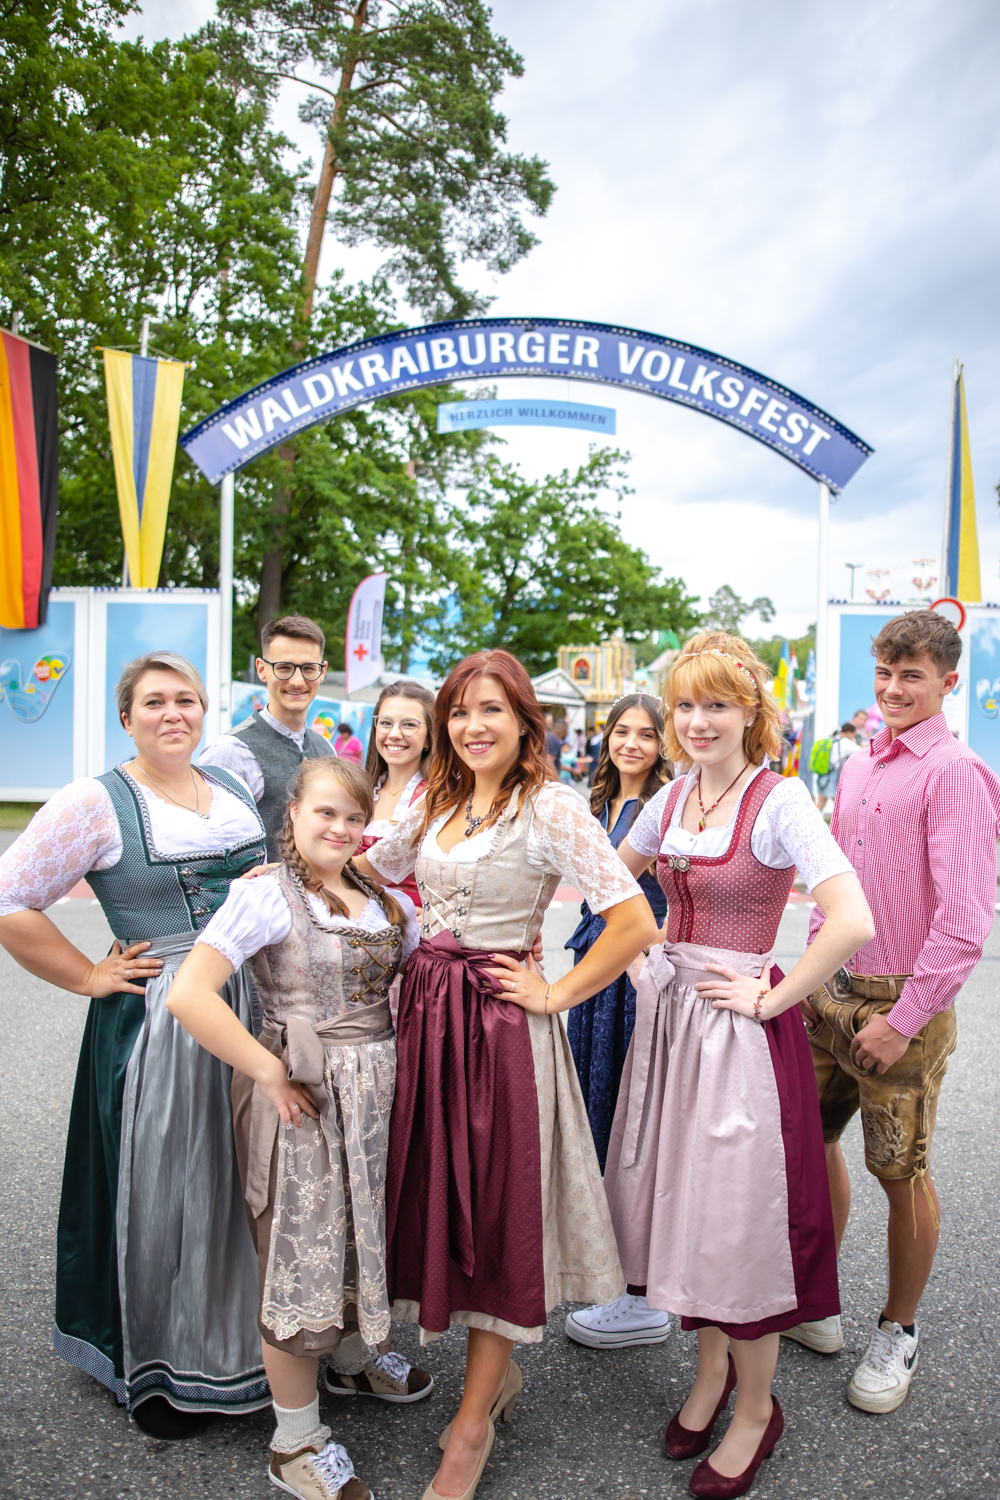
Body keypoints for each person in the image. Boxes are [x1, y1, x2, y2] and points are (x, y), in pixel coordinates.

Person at [353, 649, 657, 1500]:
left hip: (497, 1029)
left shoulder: (551, 805)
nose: (471, 726)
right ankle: (492, 1384)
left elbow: (632, 923)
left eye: (491, 710)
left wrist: (554, 992)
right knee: (432, 1202)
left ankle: (472, 1420)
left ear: (527, 720)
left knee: (494, 1215)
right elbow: (371, 871)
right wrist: (285, 873)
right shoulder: (438, 796)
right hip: (425, 1016)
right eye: (458, 711)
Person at [598, 632, 874, 1498]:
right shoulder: (672, 794)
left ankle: (756, 1404)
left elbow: (852, 917)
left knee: (732, 1222)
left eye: (716, 703)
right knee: (684, 1208)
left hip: (735, 1030)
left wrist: (775, 993)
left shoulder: (780, 797)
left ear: (752, 711)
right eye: (684, 704)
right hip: (672, 1023)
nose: (696, 721)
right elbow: (608, 879)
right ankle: (711, 1376)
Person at [0, 652, 270, 1439]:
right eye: (154, 702)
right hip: (164, 1023)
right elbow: (11, 899)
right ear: (128, 717)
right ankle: (160, 1367)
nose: (172, 714)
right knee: (171, 1186)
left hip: (253, 1000)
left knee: (240, 1179)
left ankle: (248, 1349)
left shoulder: (230, 788)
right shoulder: (95, 801)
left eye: (186, 700)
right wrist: (88, 975)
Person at [166, 757, 431, 1500]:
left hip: (378, 1093)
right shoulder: (266, 897)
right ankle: (295, 1441)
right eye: (325, 814)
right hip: (304, 1097)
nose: (340, 830)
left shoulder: (380, 897)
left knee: (357, 1232)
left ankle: (349, 1358)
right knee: (301, 1250)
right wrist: (268, 1070)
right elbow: (190, 996)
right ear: (292, 817)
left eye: (353, 818)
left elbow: (425, 974)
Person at [794, 610, 1000, 1414]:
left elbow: (964, 921)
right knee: (810, 1146)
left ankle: (899, 1328)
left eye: (911, 675)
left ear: (949, 683)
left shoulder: (956, 771)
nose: (892, 688)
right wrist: (815, 978)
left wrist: (905, 1018)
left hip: (903, 1002)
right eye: (884, 672)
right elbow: (831, 888)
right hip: (835, 989)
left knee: (899, 1170)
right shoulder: (857, 766)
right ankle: (820, 1302)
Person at [564, 694, 673, 1351]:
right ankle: (609, 1264)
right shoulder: (596, 801)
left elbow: (667, 901)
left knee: (633, 1115)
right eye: (621, 732)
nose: (631, 743)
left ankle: (641, 1291)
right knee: (593, 1107)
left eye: (645, 733)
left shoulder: (662, 809)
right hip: (592, 965)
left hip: (634, 974)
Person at [199, 614, 334, 859]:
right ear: (262, 670)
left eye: (308, 668)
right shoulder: (231, 751)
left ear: (322, 671)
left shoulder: (325, 748)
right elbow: (207, 849)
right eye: (284, 667)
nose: (297, 680)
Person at [359, 679, 435, 906]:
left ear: (429, 738)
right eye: (385, 723)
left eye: (409, 725)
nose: (394, 734)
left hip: (409, 933)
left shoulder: (438, 798)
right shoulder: (358, 791)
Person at [815, 722, 863, 812]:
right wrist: (855, 742)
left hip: (823, 773)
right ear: (848, 732)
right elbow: (861, 752)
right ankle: (842, 824)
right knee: (838, 803)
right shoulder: (846, 742)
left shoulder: (833, 739)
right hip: (832, 775)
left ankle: (811, 822)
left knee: (821, 802)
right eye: (853, 734)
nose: (853, 737)